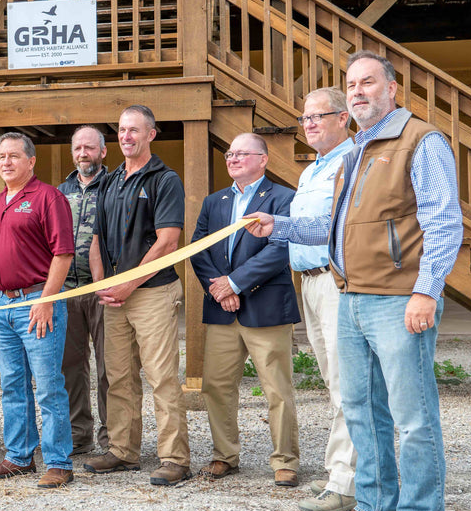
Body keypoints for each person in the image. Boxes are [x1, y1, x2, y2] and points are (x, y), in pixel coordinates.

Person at [246, 50, 463, 511]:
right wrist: (280, 226)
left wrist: (426, 290)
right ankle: (374, 503)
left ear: (392, 88)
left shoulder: (421, 141)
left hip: (397, 300)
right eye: (352, 84)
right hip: (353, 296)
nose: (360, 90)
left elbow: (444, 223)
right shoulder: (356, 152)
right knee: (363, 410)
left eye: (369, 82)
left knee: (412, 416)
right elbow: (335, 228)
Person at [83, 105, 192, 487]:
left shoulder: (165, 180)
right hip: (113, 296)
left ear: (151, 135)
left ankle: (175, 458)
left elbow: (169, 241)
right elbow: (95, 238)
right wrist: (102, 285)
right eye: (121, 130)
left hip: (153, 292)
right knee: (118, 378)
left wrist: (128, 282)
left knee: (162, 377)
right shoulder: (110, 181)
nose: (126, 136)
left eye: (134, 130)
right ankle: (123, 451)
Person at [190, 133, 301, 488]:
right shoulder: (214, 201)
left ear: (263, 159)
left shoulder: (283, 198)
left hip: (266, 306)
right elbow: (198, 247)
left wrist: (235, 283)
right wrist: (219, 288)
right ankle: (225, 455)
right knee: (217, 386)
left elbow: (279, 249)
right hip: (222, 309)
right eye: (229, 154)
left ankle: (285, 460)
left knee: (276, 388)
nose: (232, 158)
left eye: (242, 153)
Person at [0, 132, 75, 488]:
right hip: (4, 305)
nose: (6, 162)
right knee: (12, 385)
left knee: (49, 386)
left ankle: (58, 462)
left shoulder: (48, 197)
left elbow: (63, 253)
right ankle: (19, 457)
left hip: (37, 303)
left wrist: (46, 300)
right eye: (1, 156)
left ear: (31, 161)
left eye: (14, 156)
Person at [289, 88, 358, 511]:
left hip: (336, 281)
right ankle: (341, 471)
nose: (310, 123)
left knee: (347, 383)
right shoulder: (311, 170)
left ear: (343, 119)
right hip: (310, 283)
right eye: (305, 118)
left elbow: (334, 225)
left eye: (320, 115)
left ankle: (347, 483)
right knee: (333, 380)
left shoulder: (352, 162)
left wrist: (275, 227)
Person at [57, 125, 110, 455]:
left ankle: (112, 438)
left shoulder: (117, 185)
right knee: (70, 368)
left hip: (103, 290)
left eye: (89, 148)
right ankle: (79, 435)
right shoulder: (60, 191)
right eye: (78, 148)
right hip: (66, 290)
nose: (82, 153)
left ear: (103, 152)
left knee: (109, 367)